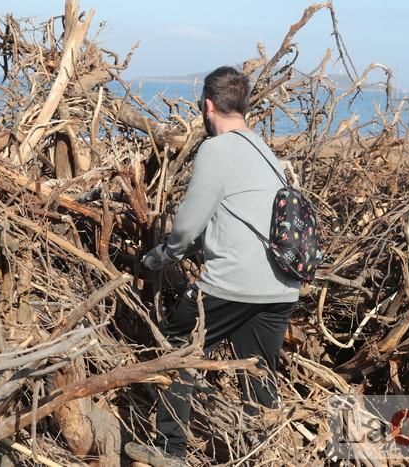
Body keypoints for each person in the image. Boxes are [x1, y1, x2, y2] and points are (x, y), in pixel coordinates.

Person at [124, 66, 300, 466]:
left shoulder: (217, 149)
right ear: (243, 104)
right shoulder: (263, 149)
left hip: (233, 283)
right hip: (283, 285)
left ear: (207, 106)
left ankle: (171, 452)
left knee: (176, 342)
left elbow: (187, 227)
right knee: (257, 371)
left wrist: (160, 258)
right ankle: (261, 452)